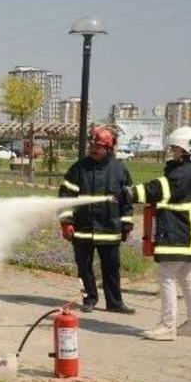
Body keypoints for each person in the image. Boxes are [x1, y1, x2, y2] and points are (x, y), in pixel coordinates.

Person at [117, 127, 191, 340]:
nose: (173, 151)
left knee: (166, 275)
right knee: (186, 278)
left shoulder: (184, 172)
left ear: (187, 149)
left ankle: (168, 326)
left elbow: (159, 189)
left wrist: (129, 193)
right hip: (188, 233)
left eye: (176, 148)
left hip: (180, 232)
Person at [58, 127, 135, 314]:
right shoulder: (78, 169)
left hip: (109, 229)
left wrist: (126, 224)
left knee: (111, 269)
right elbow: (65, 197)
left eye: (98, 146)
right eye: (92, 145)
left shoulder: (119, 170)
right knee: (83, 268)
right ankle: (88, 299)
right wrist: (67, 222)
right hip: (82, 229)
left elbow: (127, 201)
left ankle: (114, 302)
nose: (93, 149)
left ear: (108, 148)